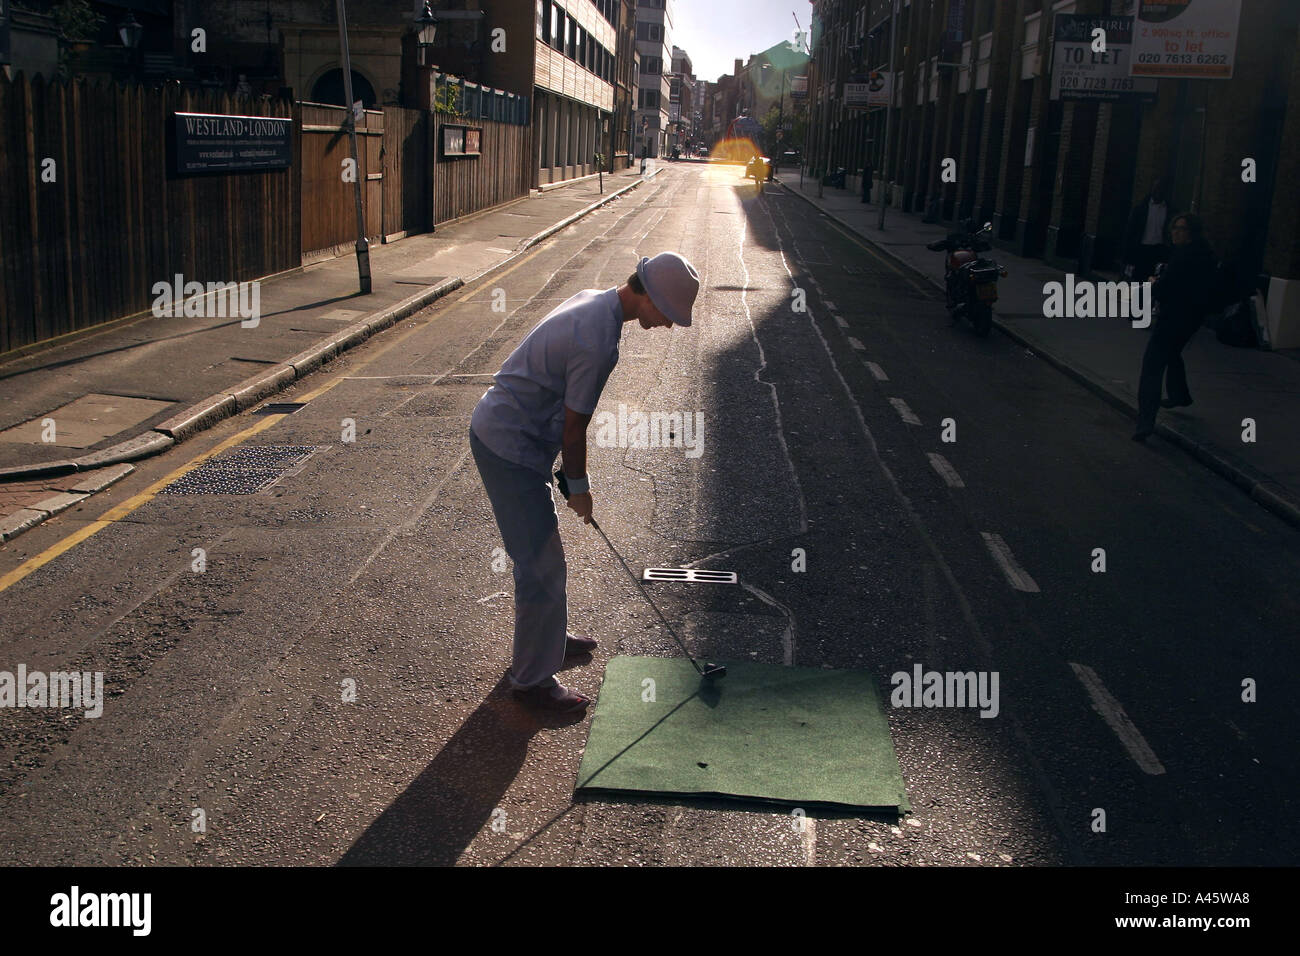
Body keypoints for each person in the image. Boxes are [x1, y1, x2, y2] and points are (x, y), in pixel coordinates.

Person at [469, 253, 701, 712]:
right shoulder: (597, 339)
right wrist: (580, 487)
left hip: (516, 435)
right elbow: (575, 428)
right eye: (669, 315)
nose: (669, 325)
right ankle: (532, 680)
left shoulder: (598, 302)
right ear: (650, 297)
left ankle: (548, 639)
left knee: (544, 555)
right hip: (507, 445)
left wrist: (569, 478)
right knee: (540, 564)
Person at [1133, 213, 1216, 442]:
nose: (1175, 232)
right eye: (1174, 228)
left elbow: (1166, 288)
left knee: (1152, 367)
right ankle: (1180, 395)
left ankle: (1144, 422)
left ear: (1191, 232)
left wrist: (1152, 284)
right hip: (1192, 320)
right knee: (1172, 353)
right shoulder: (1206, 254)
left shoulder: (1183, 256)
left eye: (1181, 229)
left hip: (1173, 318)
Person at [1122, 176, 1172, 283]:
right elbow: (1130, 232)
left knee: (1154, 282)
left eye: (1161, 188)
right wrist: (1127, 256)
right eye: (1156, 188)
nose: (1158, 191)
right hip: (1142, 249)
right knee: (1138, 281)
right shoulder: (1141, 208)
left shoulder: (1170, 210)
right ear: (1152, 189)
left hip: (1159, 251)